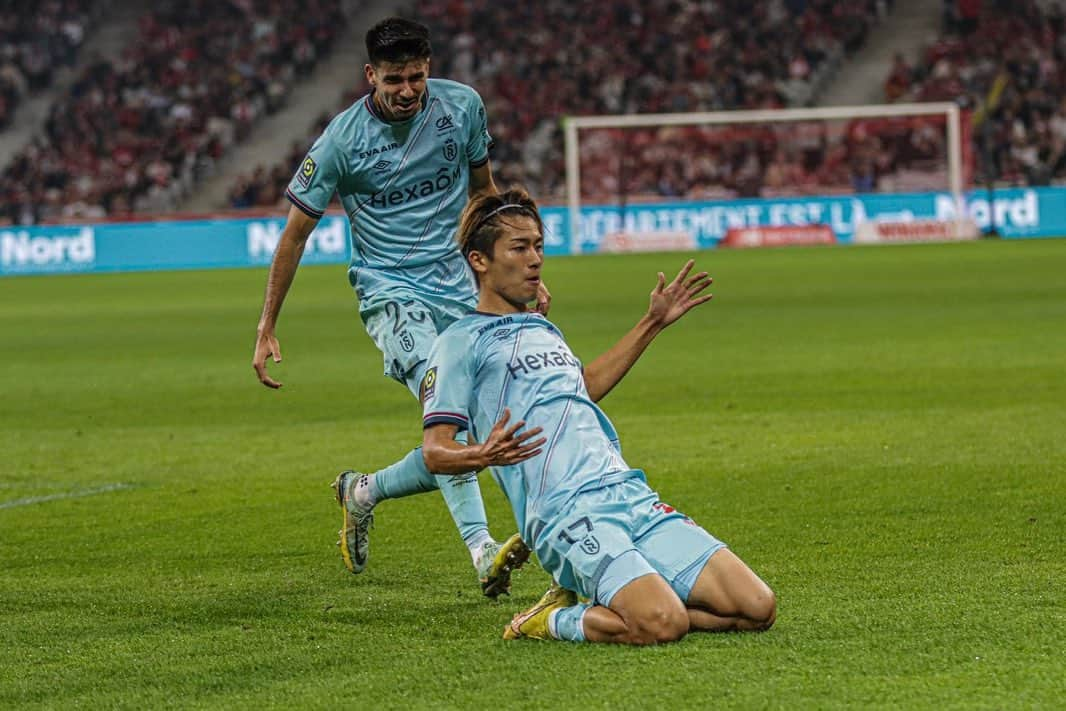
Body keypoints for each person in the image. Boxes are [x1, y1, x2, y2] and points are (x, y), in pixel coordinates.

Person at [252, 17, 547, 597]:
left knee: (488, 422)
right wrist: (267, 324)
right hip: (392, 294)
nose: (408, 90)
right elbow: (293, 236)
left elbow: (485, 196)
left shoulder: (461, 109)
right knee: (449, 415)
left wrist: (515, 277)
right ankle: (483, 550)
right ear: (370, 76)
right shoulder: (340, 141)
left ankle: (363, 491)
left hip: (463, 289)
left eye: (416, 76)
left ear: (429, 68)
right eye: (394, 80)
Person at [421, 187, 777, 644]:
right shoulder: (459, 342)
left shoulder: (542, 326)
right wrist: (483, 453)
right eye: (519, 248)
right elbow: (435, 451)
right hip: (565, 512)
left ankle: (631, 597)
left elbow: (583, 388)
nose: (535, 260)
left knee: (756, 608)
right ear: (479, 260)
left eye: (538, 246)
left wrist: (652, 323)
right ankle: (547, 621)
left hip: (626, 492)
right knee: (663, 623)